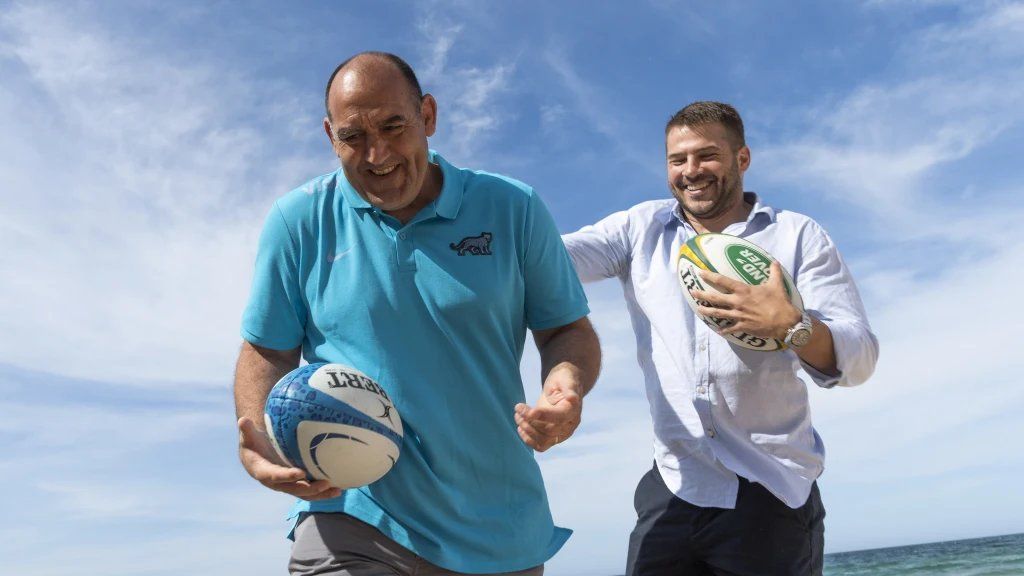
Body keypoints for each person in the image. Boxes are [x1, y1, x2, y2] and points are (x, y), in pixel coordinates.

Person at [233, 51, 600, 576]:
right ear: (329, 136)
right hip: (354, 514)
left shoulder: (512, 207)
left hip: (499, 529)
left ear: (427, 116)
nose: (376, 153)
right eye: (352, 136)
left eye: (393, 126)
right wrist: (260, 440)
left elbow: (566, 328)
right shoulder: (298, 221)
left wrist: (565, 385)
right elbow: (267, 348)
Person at [562, 101, 878, 575]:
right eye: (677, 159)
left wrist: (792, 325)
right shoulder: (639, 229)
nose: (691, 171)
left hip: (771, 492)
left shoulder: (797, 236)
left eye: (706, 155)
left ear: (742, 158)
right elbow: (548, 258)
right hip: (673, 485)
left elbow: (860, 358)